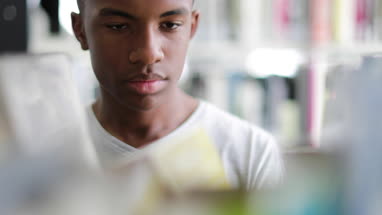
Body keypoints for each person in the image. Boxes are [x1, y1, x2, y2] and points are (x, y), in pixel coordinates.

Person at [71, 0, 283, 189]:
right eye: (118, 26)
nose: (149, 53)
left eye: (170, 25)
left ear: (192, 26)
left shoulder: (250, 153)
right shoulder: (49, 156)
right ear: (80, 31)